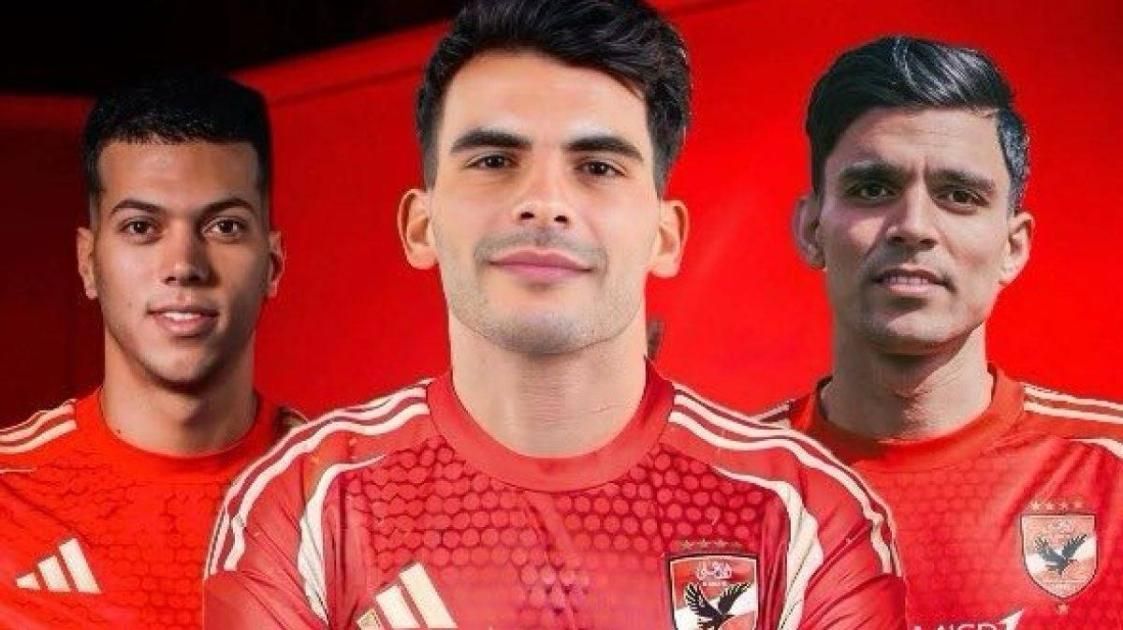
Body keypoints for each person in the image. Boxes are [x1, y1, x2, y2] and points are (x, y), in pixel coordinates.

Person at [203, 1, 906, 628]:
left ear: (665, 237)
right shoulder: (305, 503)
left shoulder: (805, 512)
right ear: (421, 226)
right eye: (494, 160)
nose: (543, 202)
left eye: (597, 167)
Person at [780, 35, 1123, 628]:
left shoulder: (1110, 478)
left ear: (1013, 247)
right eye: (872, 189)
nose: (913, 226)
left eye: (959, 196)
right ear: (812, 229)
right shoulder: (713, 490)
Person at [0, 74, 297, 629]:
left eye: (224, 226)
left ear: (273, 264)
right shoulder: (9, 493)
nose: (183, 265)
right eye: (141, 227)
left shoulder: (351, 498)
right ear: (88, 263)